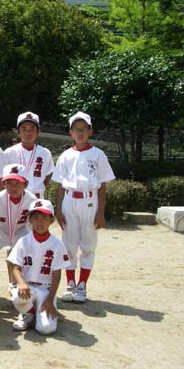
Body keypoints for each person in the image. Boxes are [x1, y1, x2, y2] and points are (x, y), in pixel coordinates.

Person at [52, 112, 115, 303]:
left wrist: (101, 212)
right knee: (69, 244)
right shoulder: (66, 155)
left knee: (88, 244)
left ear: (90, 131)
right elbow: (60, 185)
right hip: (70, 200)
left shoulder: (97, 154)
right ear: (70, 132)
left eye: (83, 129)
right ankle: (70, 283)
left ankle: (82, 285)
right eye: (76, 129)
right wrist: (58, 210)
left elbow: (102, 185)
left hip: (89, 200)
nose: (80, 133)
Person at [7, 199, 69, 334]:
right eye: (35, 218)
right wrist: (21, 283)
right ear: (29, 220)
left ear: (52, 220)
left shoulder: (57, 244)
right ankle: (28, 313)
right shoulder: (24, 241)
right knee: (17, 295)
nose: (40, 222)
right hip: (28, 287)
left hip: (46, 290)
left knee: (46, 329)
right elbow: (15, 268)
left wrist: (50, 299)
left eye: (45, 218)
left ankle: (39, 312)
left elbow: (57, 273)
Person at [0, 164, 37, 290]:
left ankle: (16, 284)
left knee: (25, 256)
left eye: (18, 183)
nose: (13, 187)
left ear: (25, 184)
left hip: (21, 230)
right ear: (3, 184)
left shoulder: (31, 199)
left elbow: (34, 222)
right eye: (9, 183)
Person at [3, 111, 54, 198]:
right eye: (24, 129)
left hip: (37, 198)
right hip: (15, 198)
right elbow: (4, 177)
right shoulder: (9, 152)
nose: (28, 132)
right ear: (18, 132)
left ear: (38, 131)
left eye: (32, 128)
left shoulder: (45, 153)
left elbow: (47, 175)